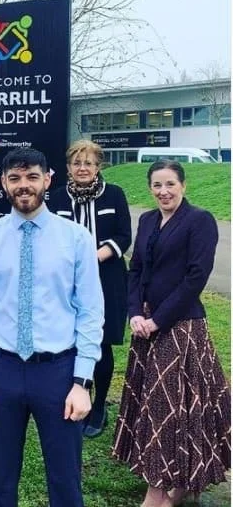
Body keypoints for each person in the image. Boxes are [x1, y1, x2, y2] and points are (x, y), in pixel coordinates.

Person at [0, 147, 104, 507]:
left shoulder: (76, 239)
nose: (23, 186)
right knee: (2, 480)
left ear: (48, 179)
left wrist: (82, 382)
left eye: (31, 177)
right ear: (3, 184)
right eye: (15, 178)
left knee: (65, 481)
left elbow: (90, 311)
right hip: (3, 370)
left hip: (58, 372)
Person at [112, 160, 230, 507]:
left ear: (183, 185)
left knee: (173, 411)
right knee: (152, 408)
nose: (163, 191)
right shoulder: (148, 220)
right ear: (149, 188)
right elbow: (135, 270)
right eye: (157, 185)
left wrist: (157, 320)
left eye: (170, 184)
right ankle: (171, 484)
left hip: (180, 327)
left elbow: (195, 278)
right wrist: (134, 312)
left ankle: (161, 491)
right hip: (145, 327)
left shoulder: (200, 221)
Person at [48, 139, 131, 438]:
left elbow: (124, 236)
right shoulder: (55, 198)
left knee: (101, 341)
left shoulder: (115, 195)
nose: (82, 168)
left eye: (89, 163)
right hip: (66, 280)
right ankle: (78, 392)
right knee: (72, 338)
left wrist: (94, 257)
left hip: (106, 277)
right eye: (77, 163)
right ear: (68, 168)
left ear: (98, 167)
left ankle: (99, 406)